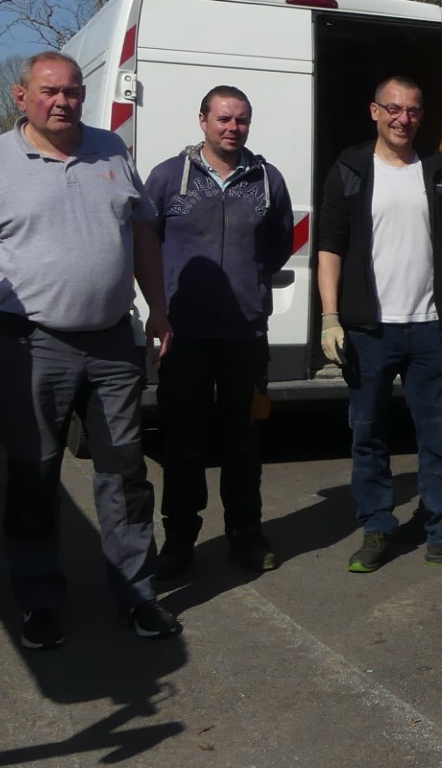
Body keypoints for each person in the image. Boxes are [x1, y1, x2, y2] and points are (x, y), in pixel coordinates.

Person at [0, 50, 181, 649]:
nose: (62, 101)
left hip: (112, 343)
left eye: (72, 91)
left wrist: (158, 310)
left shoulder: (111, 150)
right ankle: (39, 599)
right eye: (49, 91)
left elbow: (143, 234)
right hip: (33, 344)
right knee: (35, 475)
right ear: (21, 96)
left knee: (125, 474)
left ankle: (136, 594)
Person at [315, 77, 442, 576]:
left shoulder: (439, 172)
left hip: (432, 329)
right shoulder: (350, 169)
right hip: (369, 330)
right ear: (374, 111)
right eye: (393, 109)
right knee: (368, 434)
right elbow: (329, 246)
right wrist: (330, 317)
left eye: (413, 110)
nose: (404, 118)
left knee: (438, 437)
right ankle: (377, 528)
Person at [143, 85, 294, 579]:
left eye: (241, 119)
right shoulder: (169, 177)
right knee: (183, 444)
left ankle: (246, 535)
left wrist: (250, 285)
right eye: (224, 119)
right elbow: (146, 243)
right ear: (203, 120)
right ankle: (179, 541)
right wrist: (160, 306)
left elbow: (278, 246)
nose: (233, 128)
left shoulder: (267, 179)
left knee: (243, 443)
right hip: (183, 335)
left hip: (244, 336)